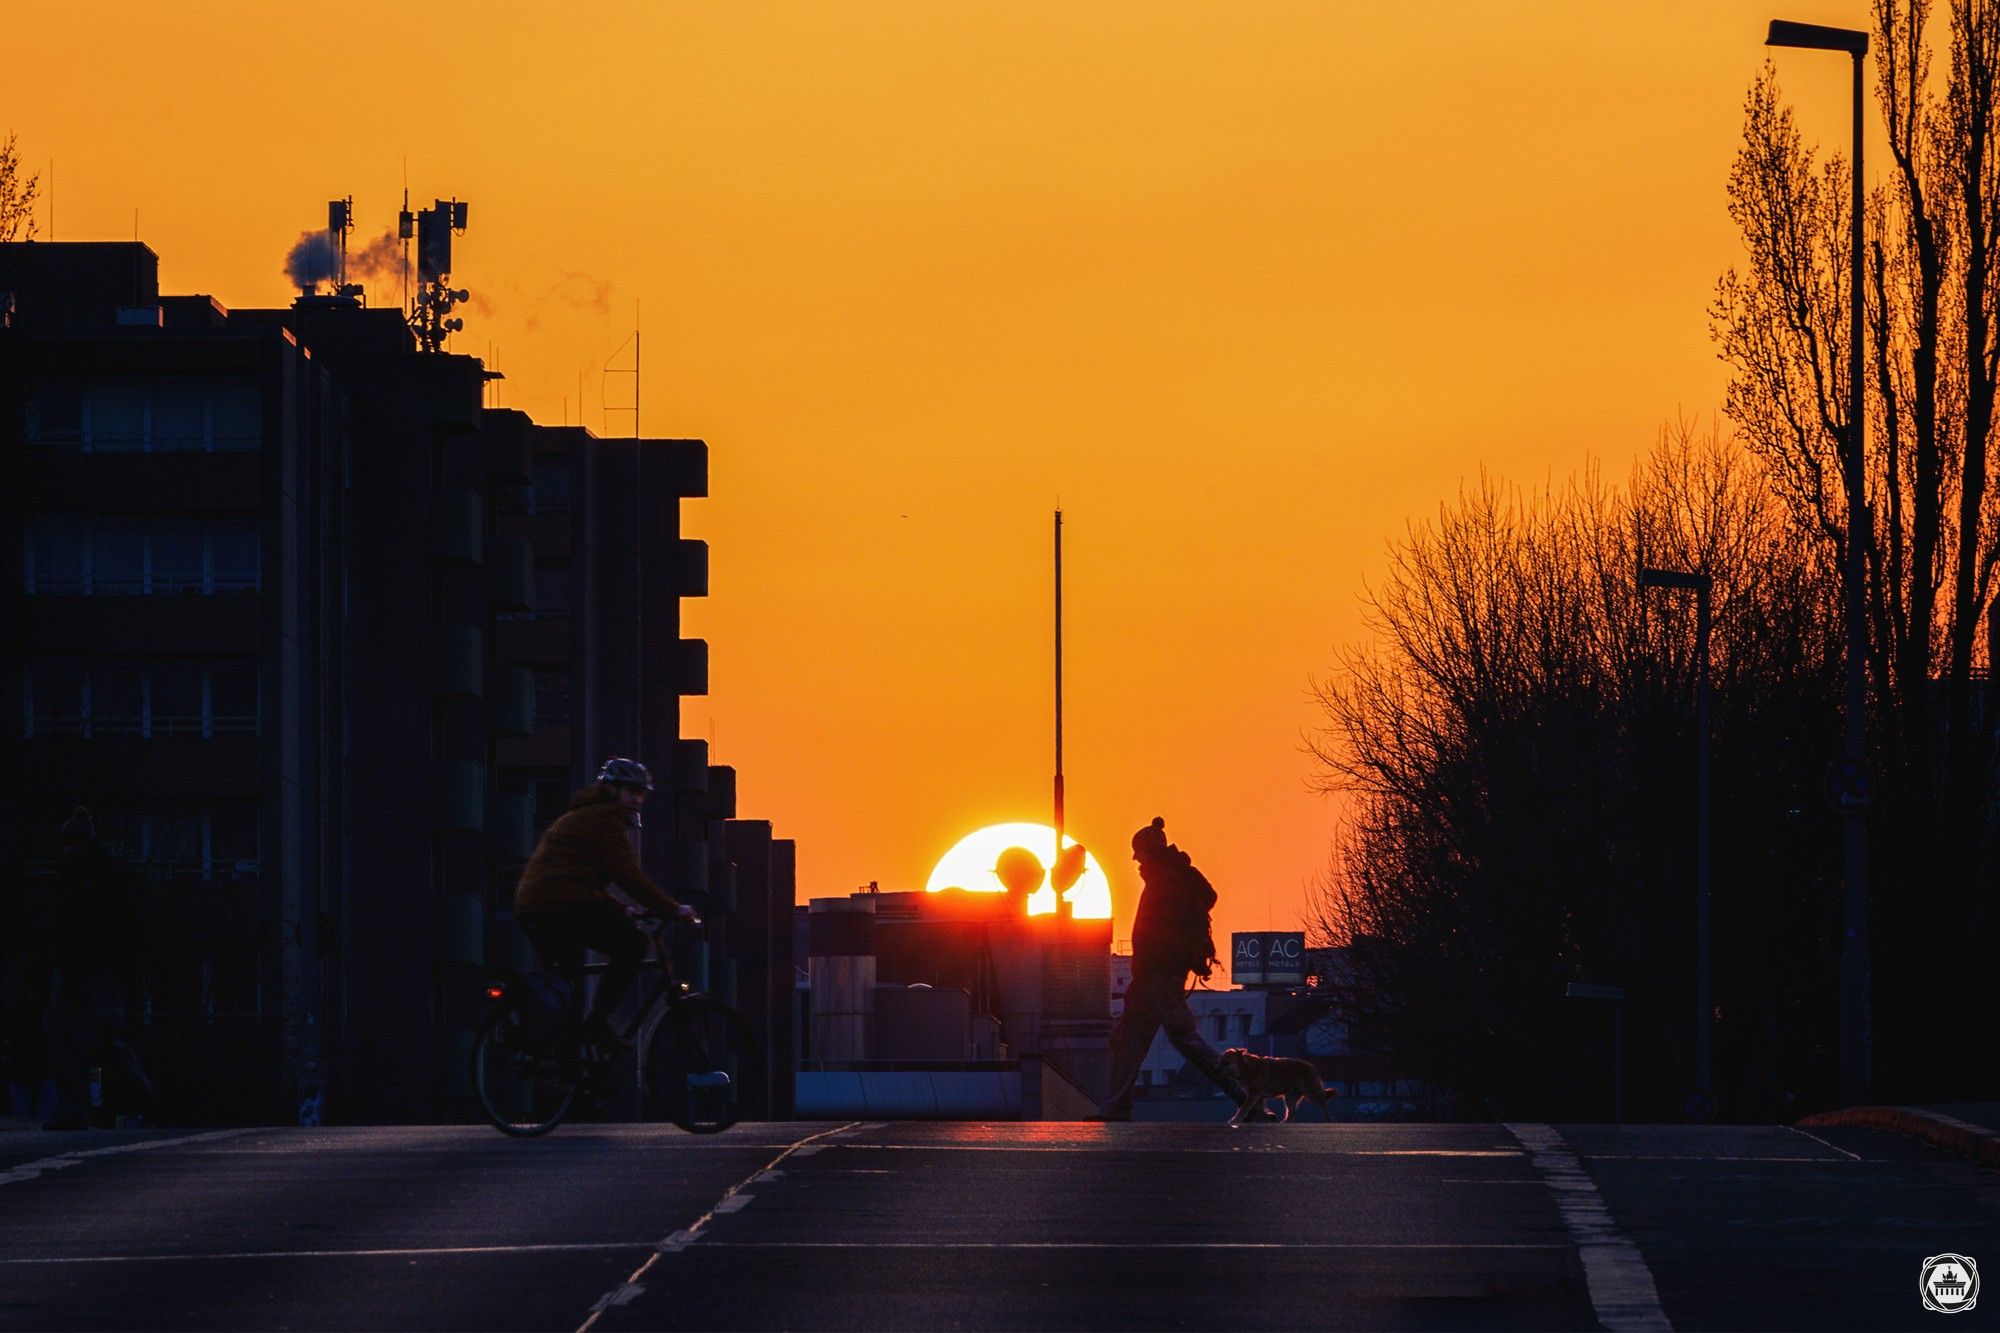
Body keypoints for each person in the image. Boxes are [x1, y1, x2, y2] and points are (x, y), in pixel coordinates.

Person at [512, 758, 697, 1051]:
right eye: (631, 791)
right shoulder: (604, 819)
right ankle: (597, 1025)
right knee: (632, 944)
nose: (638, 799)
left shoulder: (584, 817)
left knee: (568, 985)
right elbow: (627, 876)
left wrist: (620, 908)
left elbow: (575, 876)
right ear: (611, 790)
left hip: (543, 907)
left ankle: (567, 1063)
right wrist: (671, 908)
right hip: (558, 907)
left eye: (641, 793)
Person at [1097, 817, 1263, 1122]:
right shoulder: (1175, 878)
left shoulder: (1165, 883)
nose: (1135, 860)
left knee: (1181, 1042)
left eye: (1139, 853)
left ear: (1149, 852)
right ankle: (1115, 1108)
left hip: (1157, 979)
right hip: (1156, 977)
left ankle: (1247, 1099)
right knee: (1131, 1041)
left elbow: (1158, 937)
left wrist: (1148, 971)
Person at [41, 808, 151, 1130]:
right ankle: (126, 1096)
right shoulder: (104, 871)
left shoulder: (85, 875)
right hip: (95, 967)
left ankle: (83, 1106)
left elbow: (72, 923)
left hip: (87, 966)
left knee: (74, 1035)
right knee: (95, 1038)